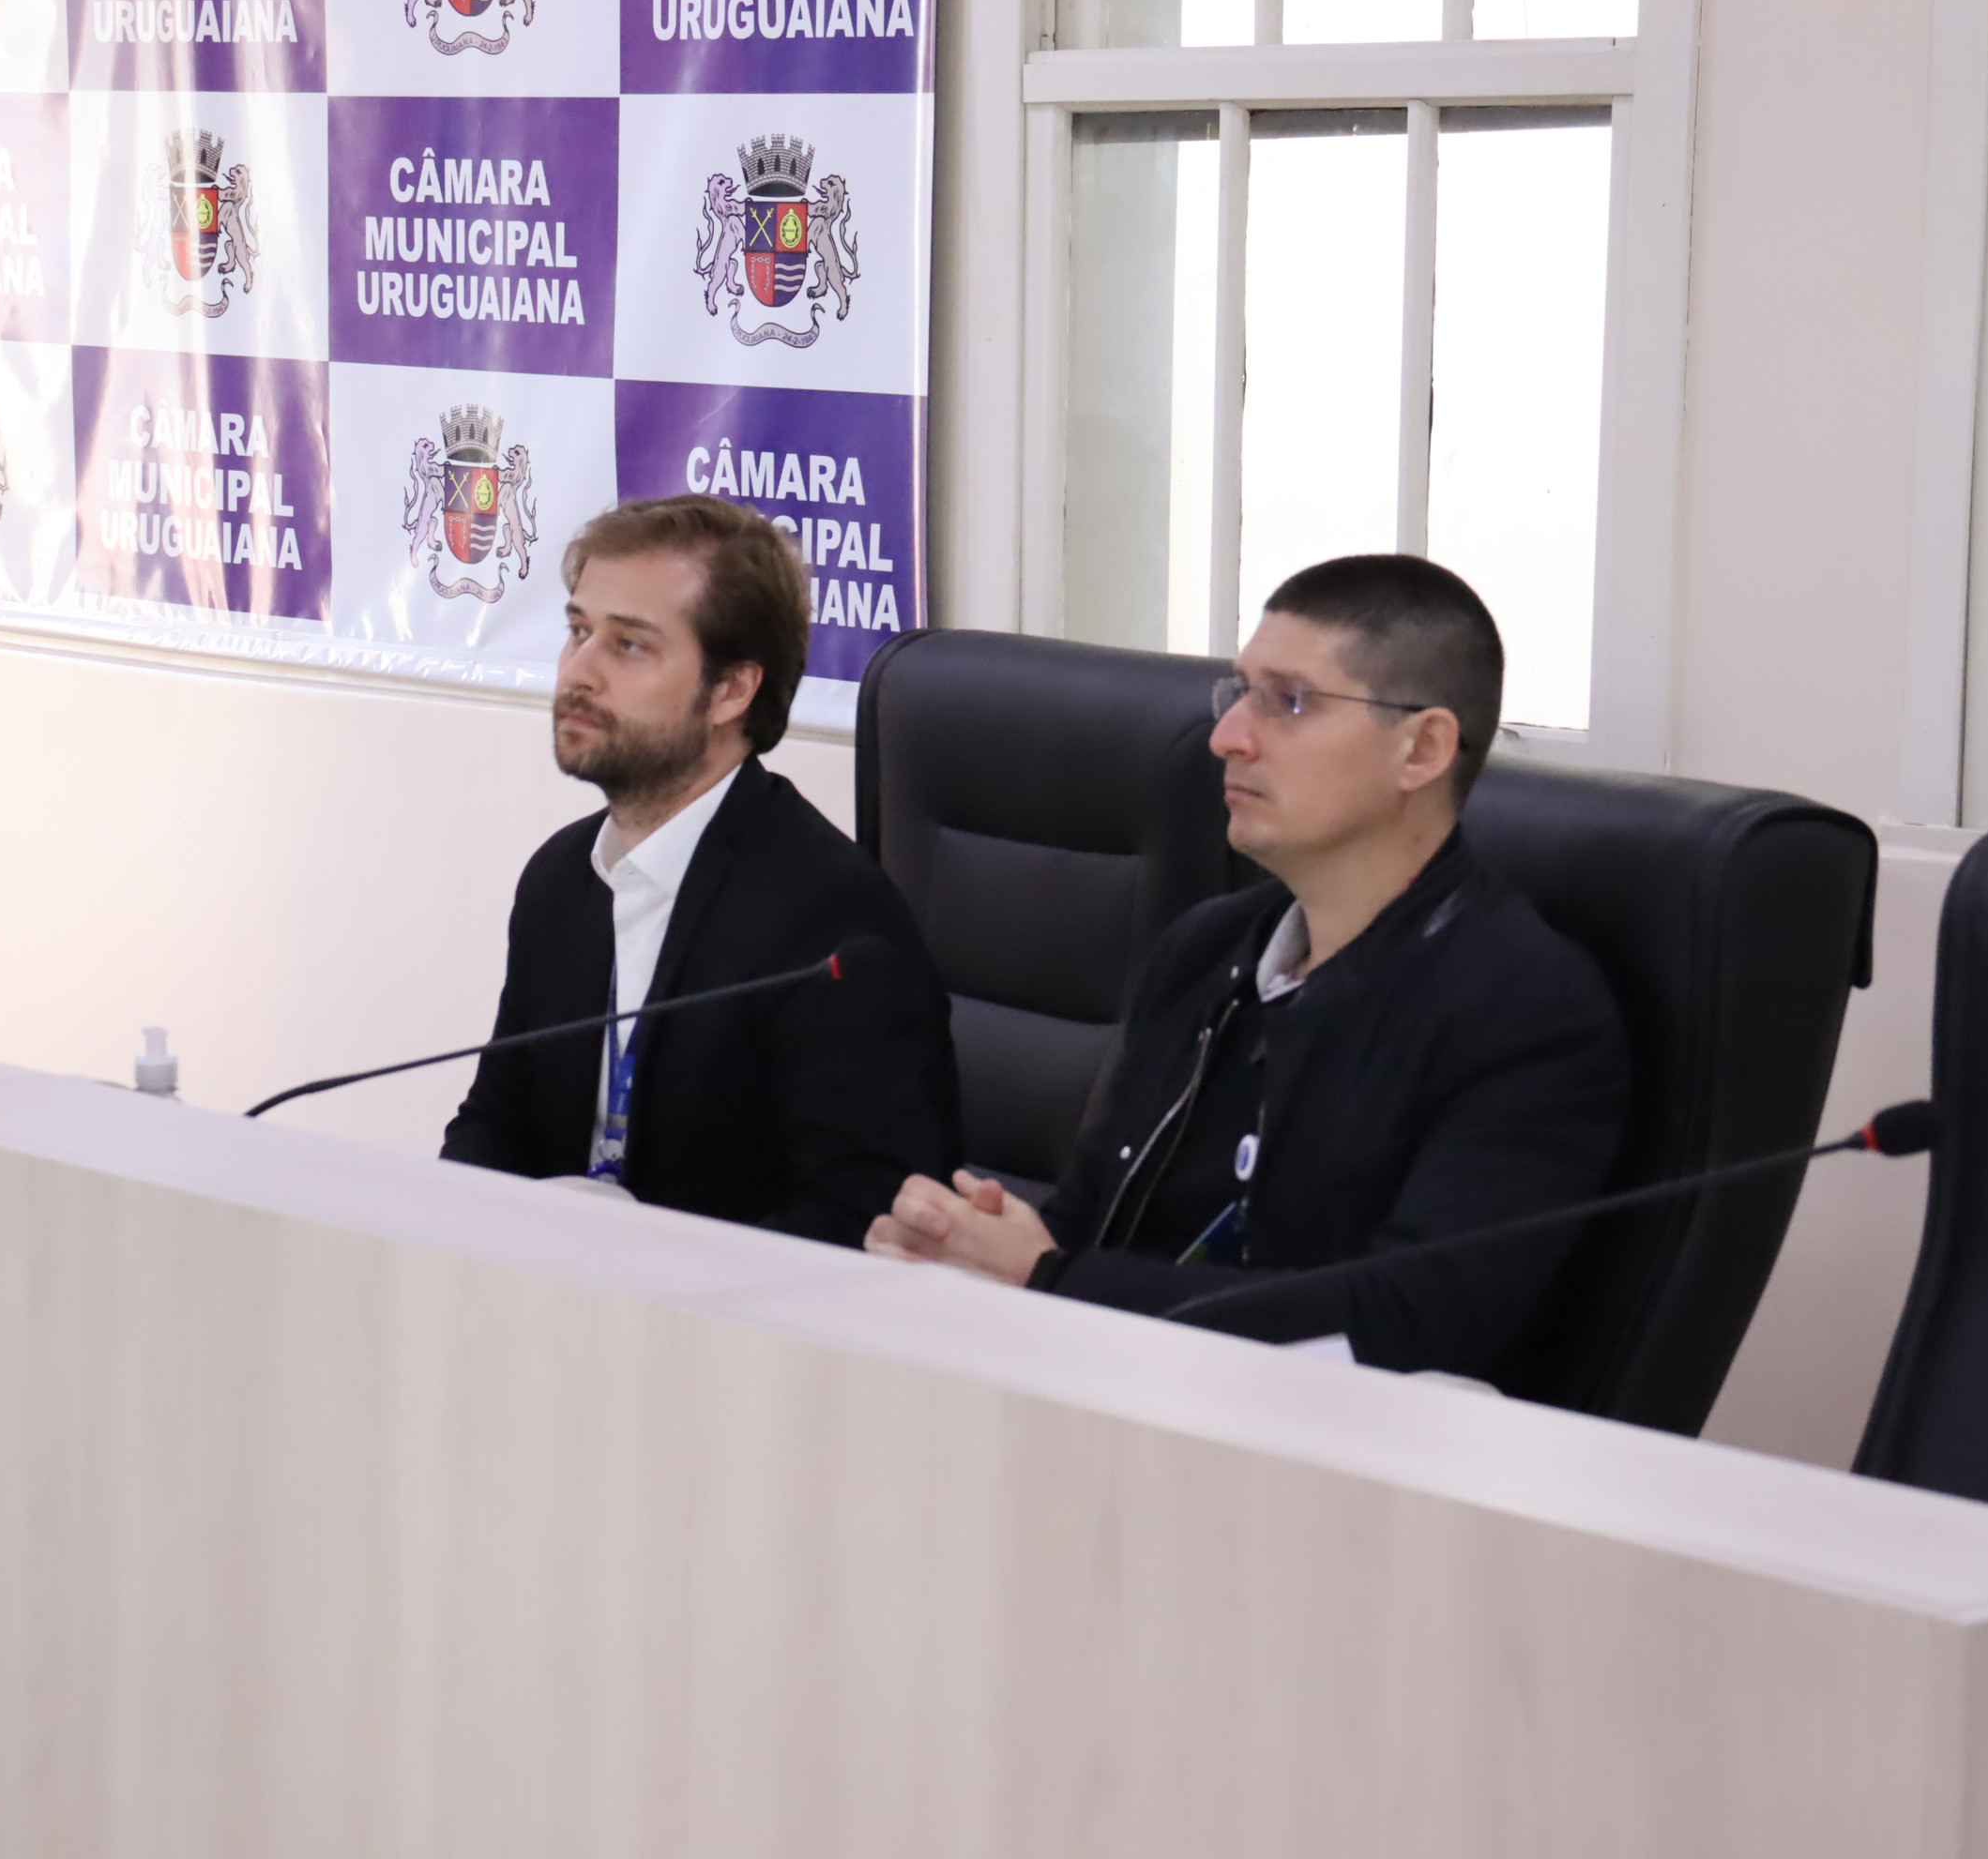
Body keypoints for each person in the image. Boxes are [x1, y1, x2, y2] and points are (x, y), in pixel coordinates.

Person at [863, 554, 1631, 1374]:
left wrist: (1048, 1278)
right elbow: (1090, 1222)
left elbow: (1410, 1324)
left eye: (1289, 702)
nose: (1227, 737)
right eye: (1237, 692)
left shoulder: (1525, 1009)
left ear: (1422, 749)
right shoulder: (1206, 949)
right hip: (1121, 1390)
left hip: (1327, 1439)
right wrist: (971, 1246)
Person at [443, 494, 957, 1244]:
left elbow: (859, 1218)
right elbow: (495, 1125)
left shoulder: (830, 921)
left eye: (629, 645)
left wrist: (649, 1274)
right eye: (579, 631)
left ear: (731, 691)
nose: (579, 672)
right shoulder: (561, 881)